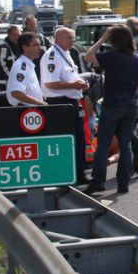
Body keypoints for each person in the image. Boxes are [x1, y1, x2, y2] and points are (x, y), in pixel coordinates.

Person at [83, 25, 138, 195]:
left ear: (113, 40)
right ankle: (123, 182)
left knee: (103, 145)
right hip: (130, 105)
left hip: (111, 105)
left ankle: (98, 182)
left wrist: (103, 38)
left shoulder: (110, 56)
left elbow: (88, 56)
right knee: (125, 144)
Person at [41, 27, 90, 185]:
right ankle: (67, 175)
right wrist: (74, 85)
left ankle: (79, 173)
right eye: (69, 38)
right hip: (60, 103)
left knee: (79, 139)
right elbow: (50, 83)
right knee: (66, 141)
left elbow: (70, 77)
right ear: (58, 38)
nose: (73, 41)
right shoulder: (52, 55)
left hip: (71, 101)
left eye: (73, 38)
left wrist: (81, 83)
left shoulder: (66, 53)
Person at [6, 32, 47, 107]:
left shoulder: (28, 65)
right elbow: (16, 92)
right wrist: (39, 103)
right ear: (25, 47)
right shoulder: (21, 67)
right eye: (35, 45)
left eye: (39, 45)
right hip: (25, 111)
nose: (40, 48)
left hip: (33, 110)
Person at [0, 25, 21, 89]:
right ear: (8, 34)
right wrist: (12, 77)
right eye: (14, 35)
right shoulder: (4, 47)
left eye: (18, 35)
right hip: (3, 82)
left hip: (12, 81)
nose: (16, 37)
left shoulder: (17, 46)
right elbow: (2, 64)